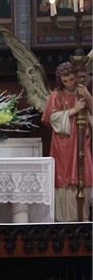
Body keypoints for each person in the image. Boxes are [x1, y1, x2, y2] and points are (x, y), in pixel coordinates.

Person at [42, 62, 93, 222]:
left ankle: (83, 216)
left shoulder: (82, 92)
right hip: (63, 143)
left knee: (83, 172)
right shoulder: (56, 95)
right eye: (65, 81)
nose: (69, 83)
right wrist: (74, 110)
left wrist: (88, 96)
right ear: (60, 81)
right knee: (65, 176)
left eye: (72, 79)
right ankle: (65, 218)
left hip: (81, 140)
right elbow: (52, 118)